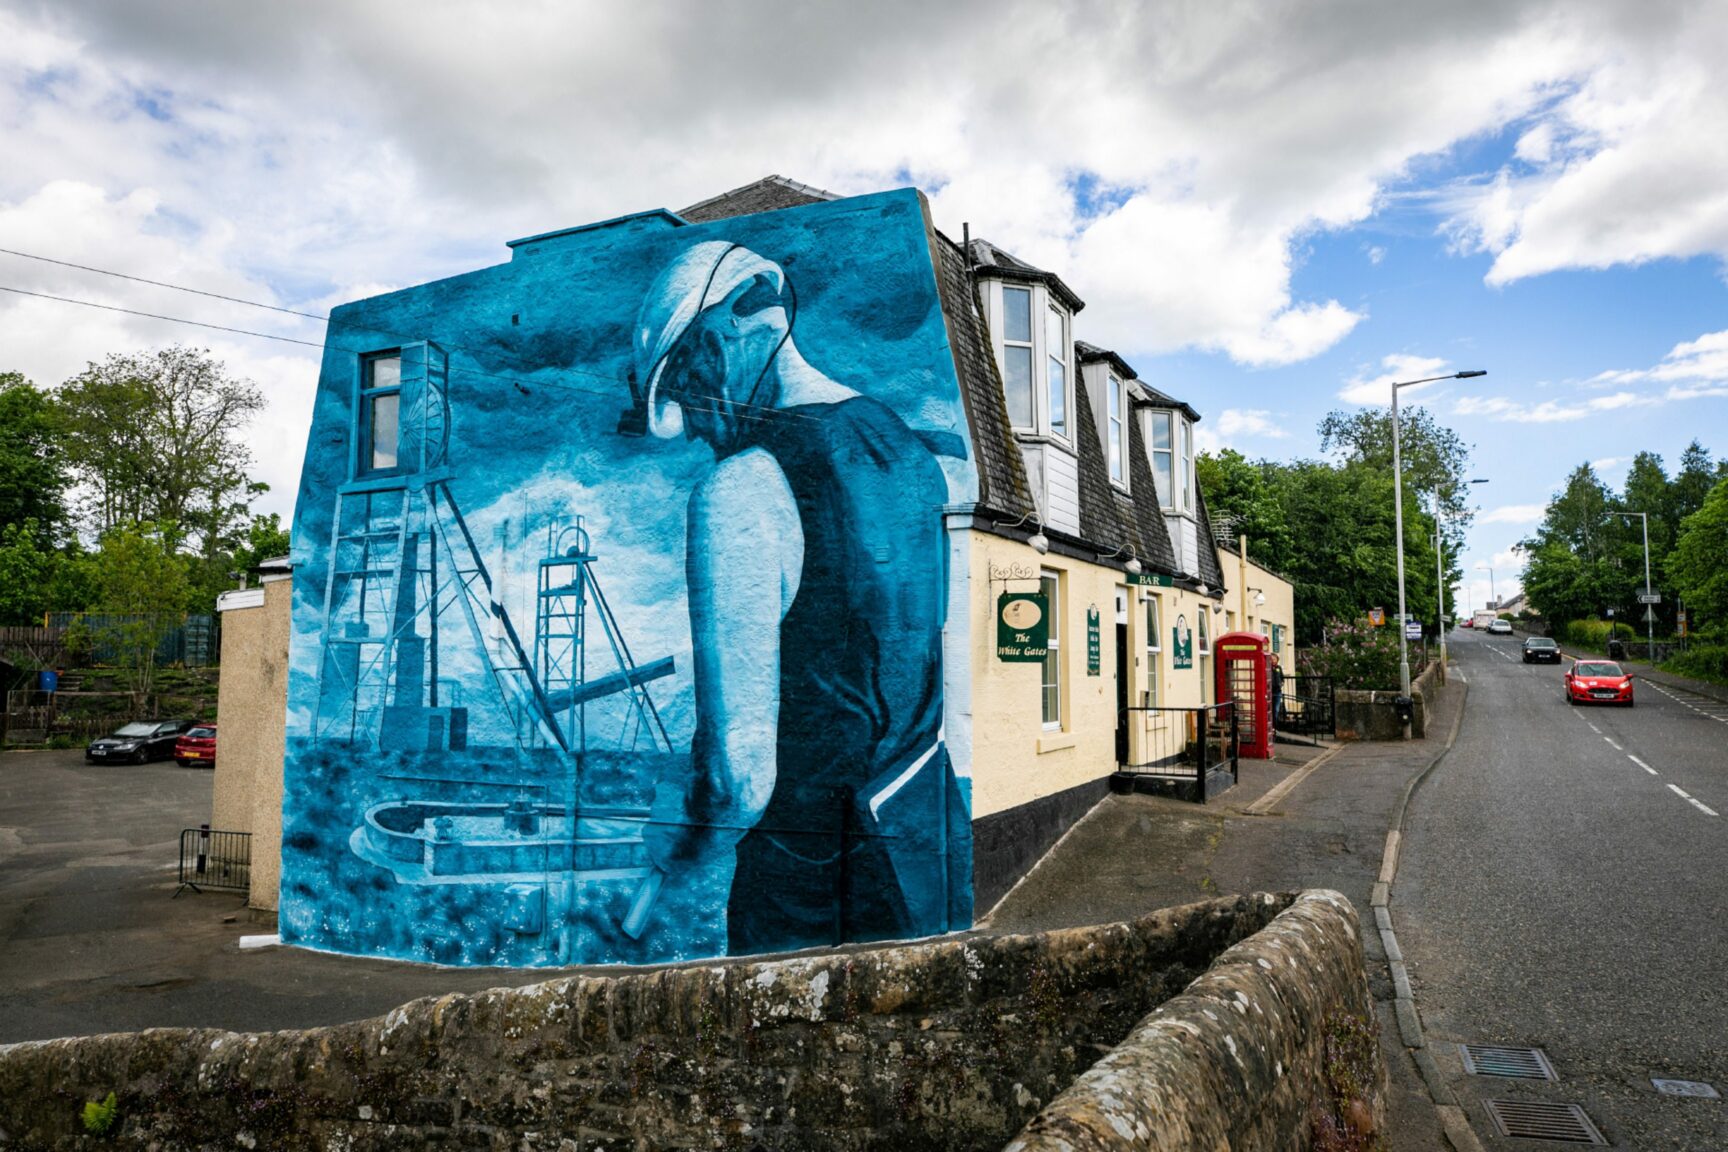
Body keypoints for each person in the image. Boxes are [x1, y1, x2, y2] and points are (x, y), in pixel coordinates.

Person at [626, 240, 969, 954]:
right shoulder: (914, 456)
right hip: (926, 849)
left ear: (725, 334)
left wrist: (680, 843)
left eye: (683, 387)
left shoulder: (739, 489)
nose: (690, 425)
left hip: (808, 888)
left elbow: (738, 781)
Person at [1269, 654, 1284, 727]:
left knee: (1276, 710)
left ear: (1277, 660)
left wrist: (1281, 683)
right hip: (1269, 692)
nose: (1273, 661)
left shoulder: (1279, 668)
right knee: (1270, 710)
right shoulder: (1267, 668)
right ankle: (1271, 726)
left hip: (1278, 692)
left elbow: (1282, 678)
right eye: (1271, 659)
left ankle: (1275, 726)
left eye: (1274, 659)